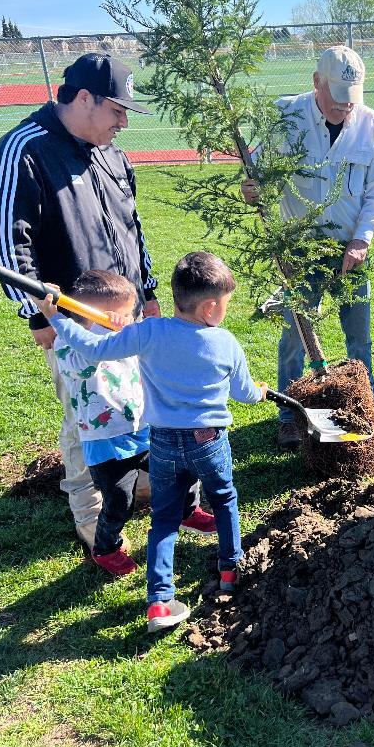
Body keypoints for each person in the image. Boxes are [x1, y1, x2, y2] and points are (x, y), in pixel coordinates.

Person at [0, 52, 216, 552]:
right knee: (86, 418)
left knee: (143, 399)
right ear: (83, 98)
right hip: (76, 325)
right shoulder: (23, 151)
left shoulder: (112, 154)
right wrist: (34, 313)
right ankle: (91, 519)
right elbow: (8, 240)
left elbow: (133, 228)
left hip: (127, 315)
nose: (123, 122)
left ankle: (159, 491)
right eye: (117, 110)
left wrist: (148, 291)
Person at [35, 252, 268, 632]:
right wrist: (259, 392)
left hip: (162, 443)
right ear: (211, 307)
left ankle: (159, 601)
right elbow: (243, 393)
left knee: (163, 517)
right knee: (224, 499)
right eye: (225, 304)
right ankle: (230, 570)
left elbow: (93, 348)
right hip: (209, 442)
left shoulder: (148, 332)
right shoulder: (225, 343)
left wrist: (56, 315)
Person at [241, 45, 374, 449]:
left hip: (350, 248)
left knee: (358, 334)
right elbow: (257, 169)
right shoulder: (285, 117)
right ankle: (290, 415)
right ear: (316, 82)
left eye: (351, 99)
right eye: (337, 97)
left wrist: (362, 239)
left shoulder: (373, 126)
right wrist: (252, 186)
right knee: (295, 333)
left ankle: (367, 402)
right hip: (300, 250)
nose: (345, 107)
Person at [52, 270, 208, 577]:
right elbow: (89, 351)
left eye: (129, 314)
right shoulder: (68, 346)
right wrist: (53, 314)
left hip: (144, 429)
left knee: (183, 470)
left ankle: (187, 512)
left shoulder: (128, 338)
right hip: (106, 444)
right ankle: (106, 548)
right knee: (119, 502)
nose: (127, 321)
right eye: (119, 316)